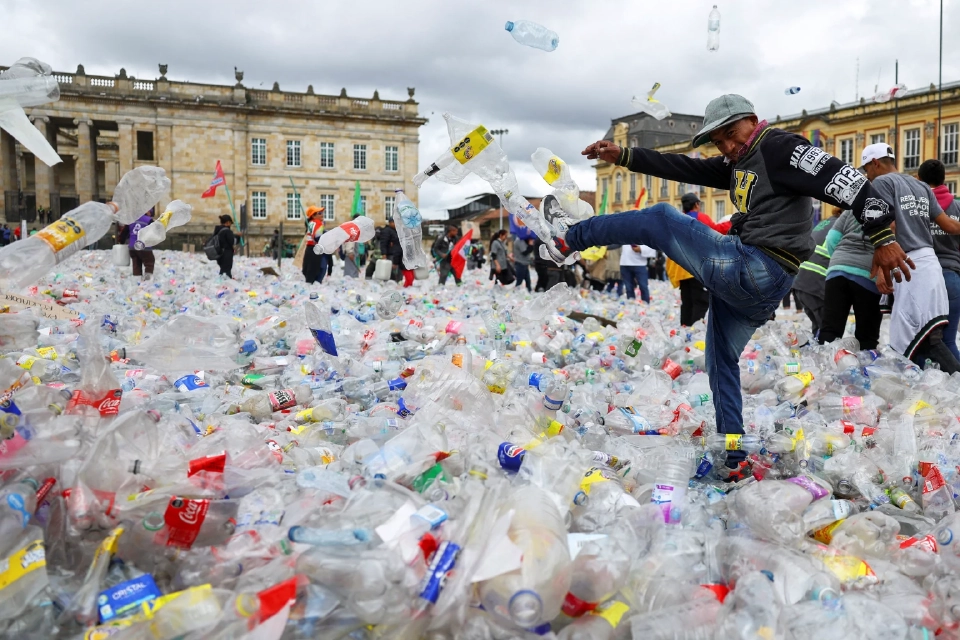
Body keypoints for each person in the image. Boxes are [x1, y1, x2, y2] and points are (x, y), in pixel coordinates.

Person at [569, 94, 911, 481]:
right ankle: (735, 457)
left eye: (732, 134)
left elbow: (845, 180)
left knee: (662, 218)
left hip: (758, 265)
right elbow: (684, 167)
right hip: (762, 281)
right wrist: (626, 156)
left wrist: (882, 237)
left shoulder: (780, 147)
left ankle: (568, 237)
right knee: (720, 362)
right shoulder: (738, 162)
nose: (728, 147)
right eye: (719, 141)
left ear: (752, 120)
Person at [859, 143, 960, 371]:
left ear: (875, 163)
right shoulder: (921, 186)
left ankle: (942, 380)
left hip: (907, 264)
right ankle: (916, 383)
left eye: (866, 169)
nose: (867, 175)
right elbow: (950, 225)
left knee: (922, 336)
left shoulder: (881, 183)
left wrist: (885, 270)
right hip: (929, 264)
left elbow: (888, 225)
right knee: (923, 334)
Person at [818, 209, 883, 350]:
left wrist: (842, 259)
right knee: (867, 336)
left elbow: (832, 238)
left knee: (830, 330)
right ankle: (866, 368)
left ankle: (824, 365)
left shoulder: (852, 208)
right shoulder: (889, 206)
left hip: (837, 270)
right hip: (867, 272)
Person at [919, 159, 960, 360]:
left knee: (920, 341)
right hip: (952, 276)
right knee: (949, 341)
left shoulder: (917, 206)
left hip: (925, 277)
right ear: (943, 179)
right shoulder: (957, 207)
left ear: (919, 179)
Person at [791, 207, 841, 337]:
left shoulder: (826, 222)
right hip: (816, 285)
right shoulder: (843, 225)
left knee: (819, 328)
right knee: (829, 331)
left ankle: (817, 352)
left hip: (801, 283)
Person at [670, 193, 714, 325]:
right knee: (700, 301)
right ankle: (694, 331)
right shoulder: (700, 218)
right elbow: (715, 232)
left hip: (681, 268)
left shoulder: (677, 220)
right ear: (696, 205)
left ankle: (685, 328)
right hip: (697, 267)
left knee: (687, 301)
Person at [127, 208, 156, 282]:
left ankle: (137, 281)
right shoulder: (148, 220)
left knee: (136, 263)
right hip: (144, 246)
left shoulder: (132, 220)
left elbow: (125, 232)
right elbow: (155, 231)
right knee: (149, 262)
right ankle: (147, 280)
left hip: (132, 246)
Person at [381, 218, 411, 286]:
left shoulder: (396, 230)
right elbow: (383, 243)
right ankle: (391, 283)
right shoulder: (387, 231)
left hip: (397, 254)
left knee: (398, 270)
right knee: (392, 270)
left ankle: (398, 282)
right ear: (390, 223)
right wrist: (384, 253)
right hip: (391, 253)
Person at [302, 207, 327, 284]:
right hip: (315, 250)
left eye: (322, 212)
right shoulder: (318, 223)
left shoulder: (310, 223)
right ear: (313, 216)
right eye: (319, 213)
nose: (322, 215)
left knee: (308, 271)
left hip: (309, 249)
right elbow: (318, 237)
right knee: (319, 270)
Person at [212, 215, 238, 279]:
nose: (230, 225)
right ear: (228, 222)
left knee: (223, 270)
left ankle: (224, 283)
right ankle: (225, 285)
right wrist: (238, 236)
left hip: (219, 253)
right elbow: (233, 242)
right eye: (230, 223)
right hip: (226, 253)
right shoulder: (227, 231)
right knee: (226, 272)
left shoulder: (217, 230)